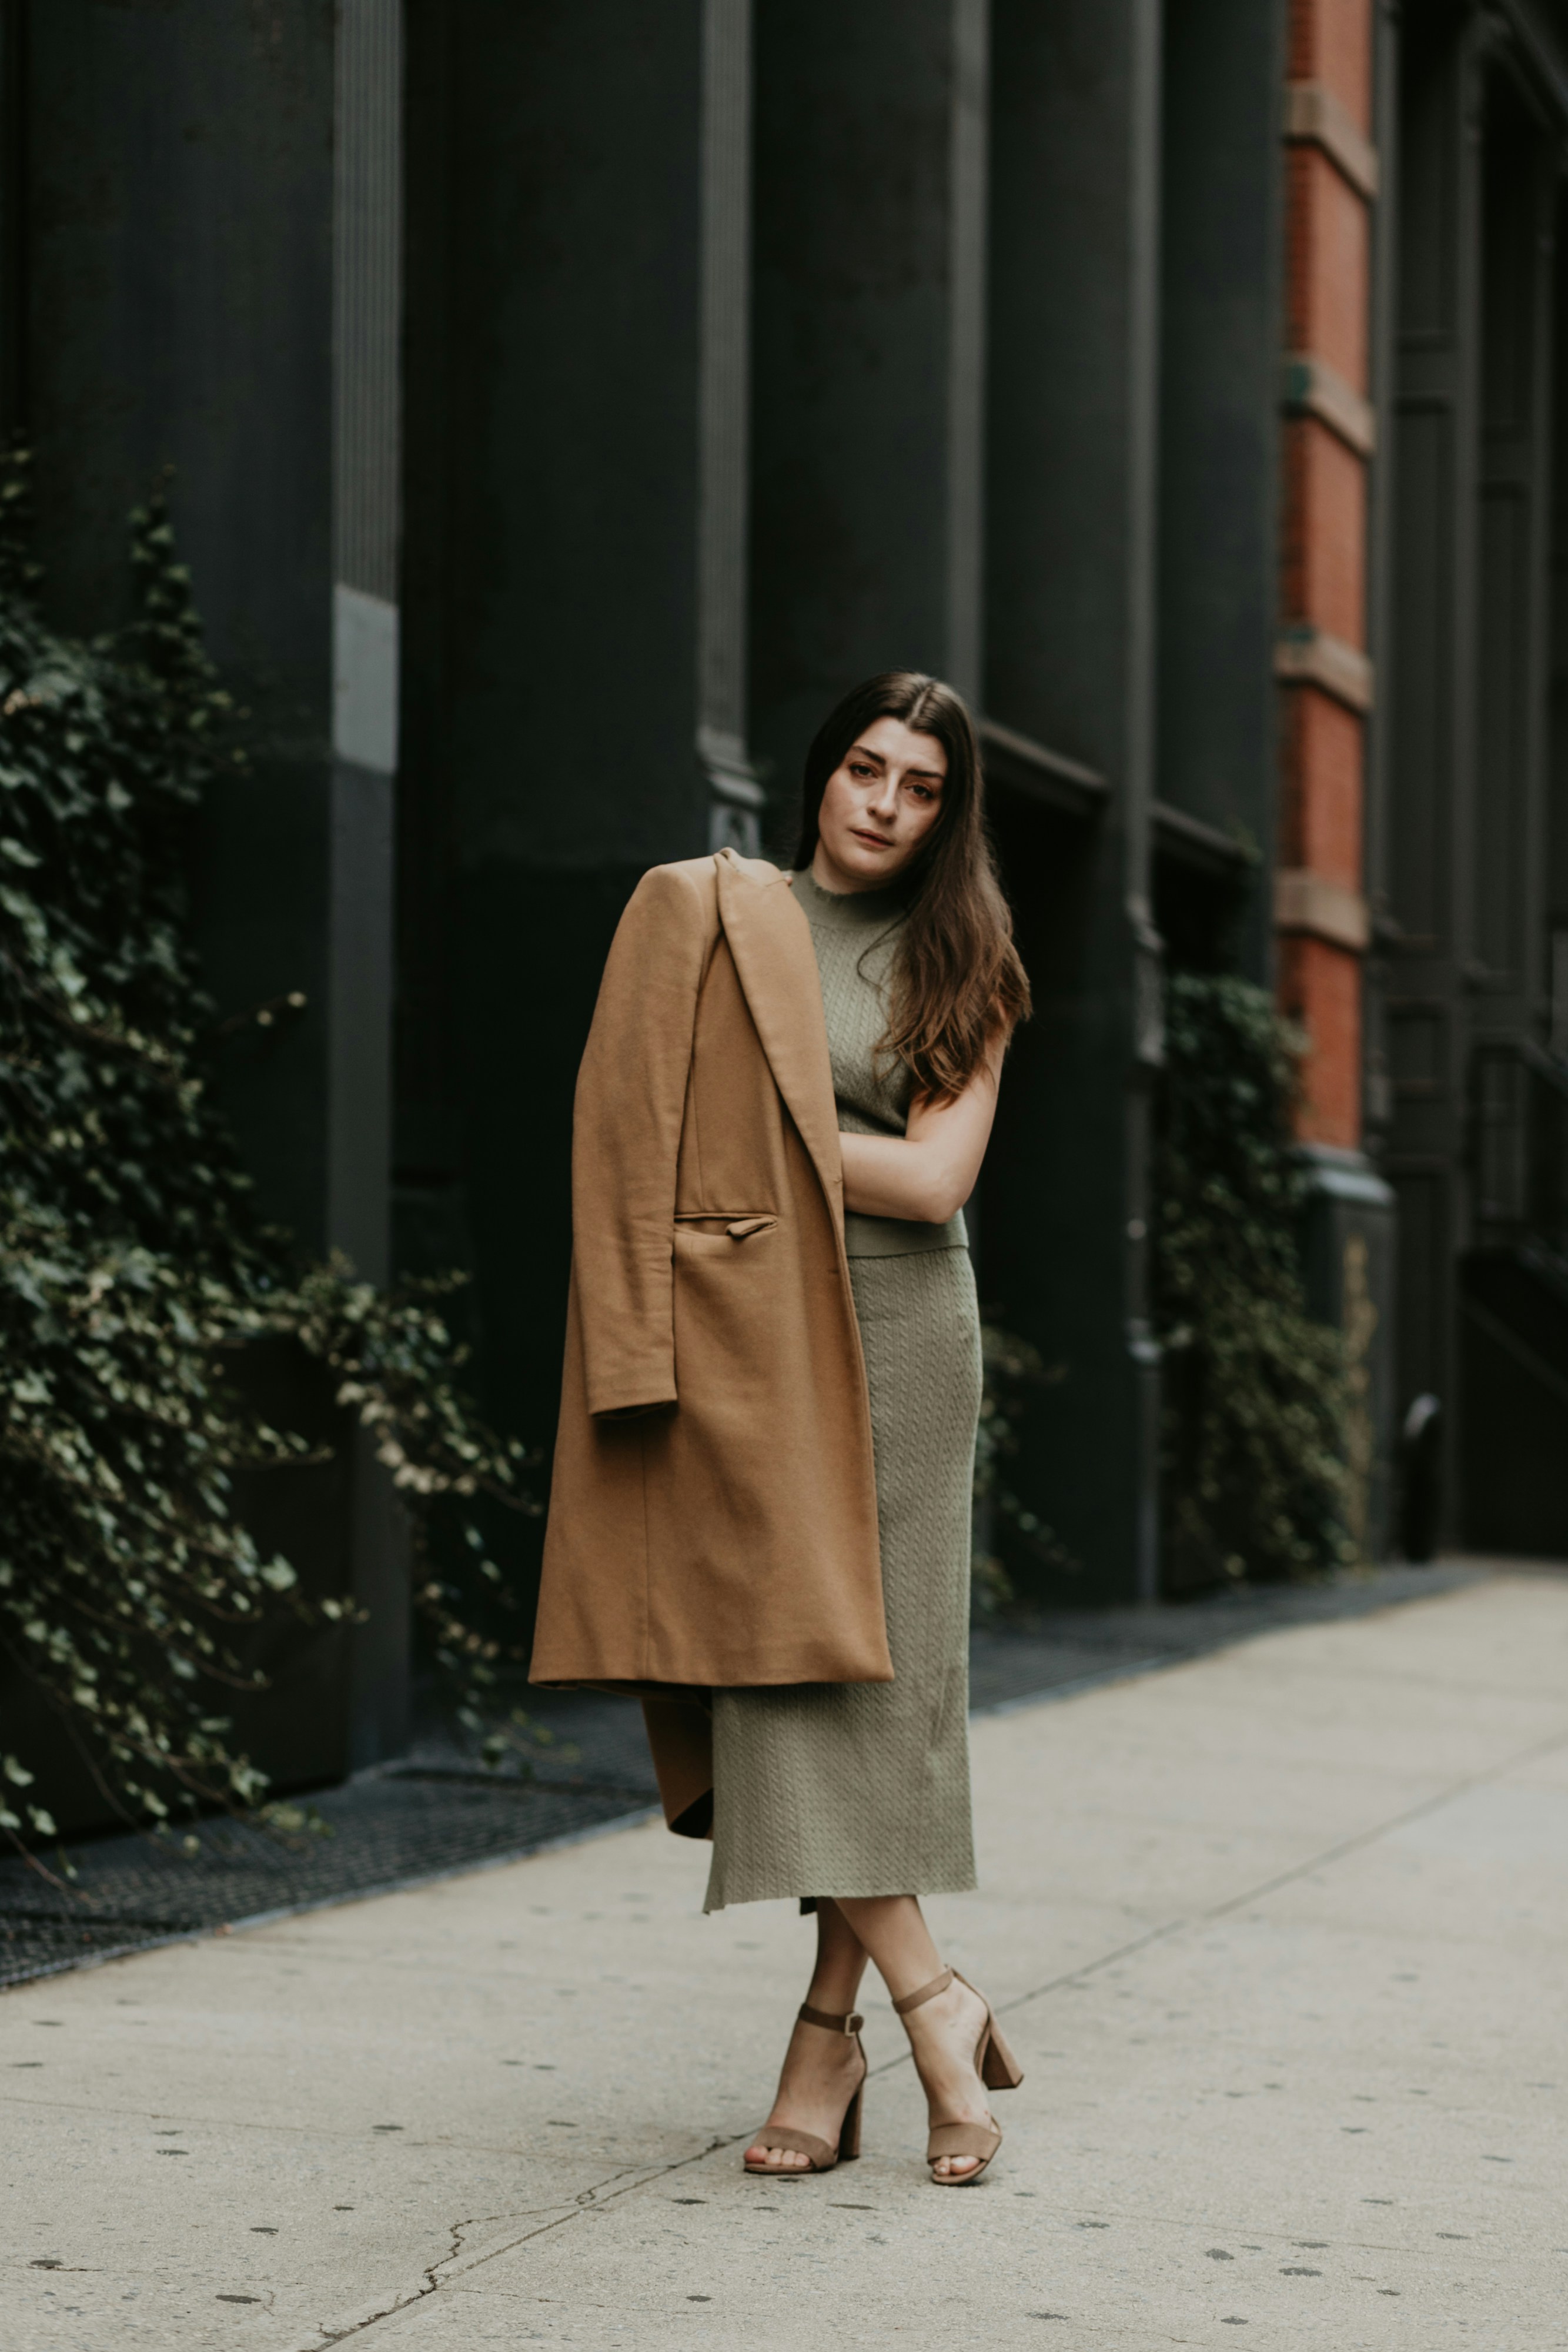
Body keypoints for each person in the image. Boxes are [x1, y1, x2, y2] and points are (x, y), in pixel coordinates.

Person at [531, 671, 1030, 2184]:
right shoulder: (711, 916)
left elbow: (937, 1181)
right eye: (863, 768)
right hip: (746, 1341)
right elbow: (626, 1124)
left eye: (919, 785)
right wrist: (815, 1153)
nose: (882, 802)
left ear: (950, 812)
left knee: (871, 1685)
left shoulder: (970, 960)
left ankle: (835, 2035)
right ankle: (932, 2001)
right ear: (818, 774)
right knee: (775, 1667)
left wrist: (751, 1140)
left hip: (899, 1335)